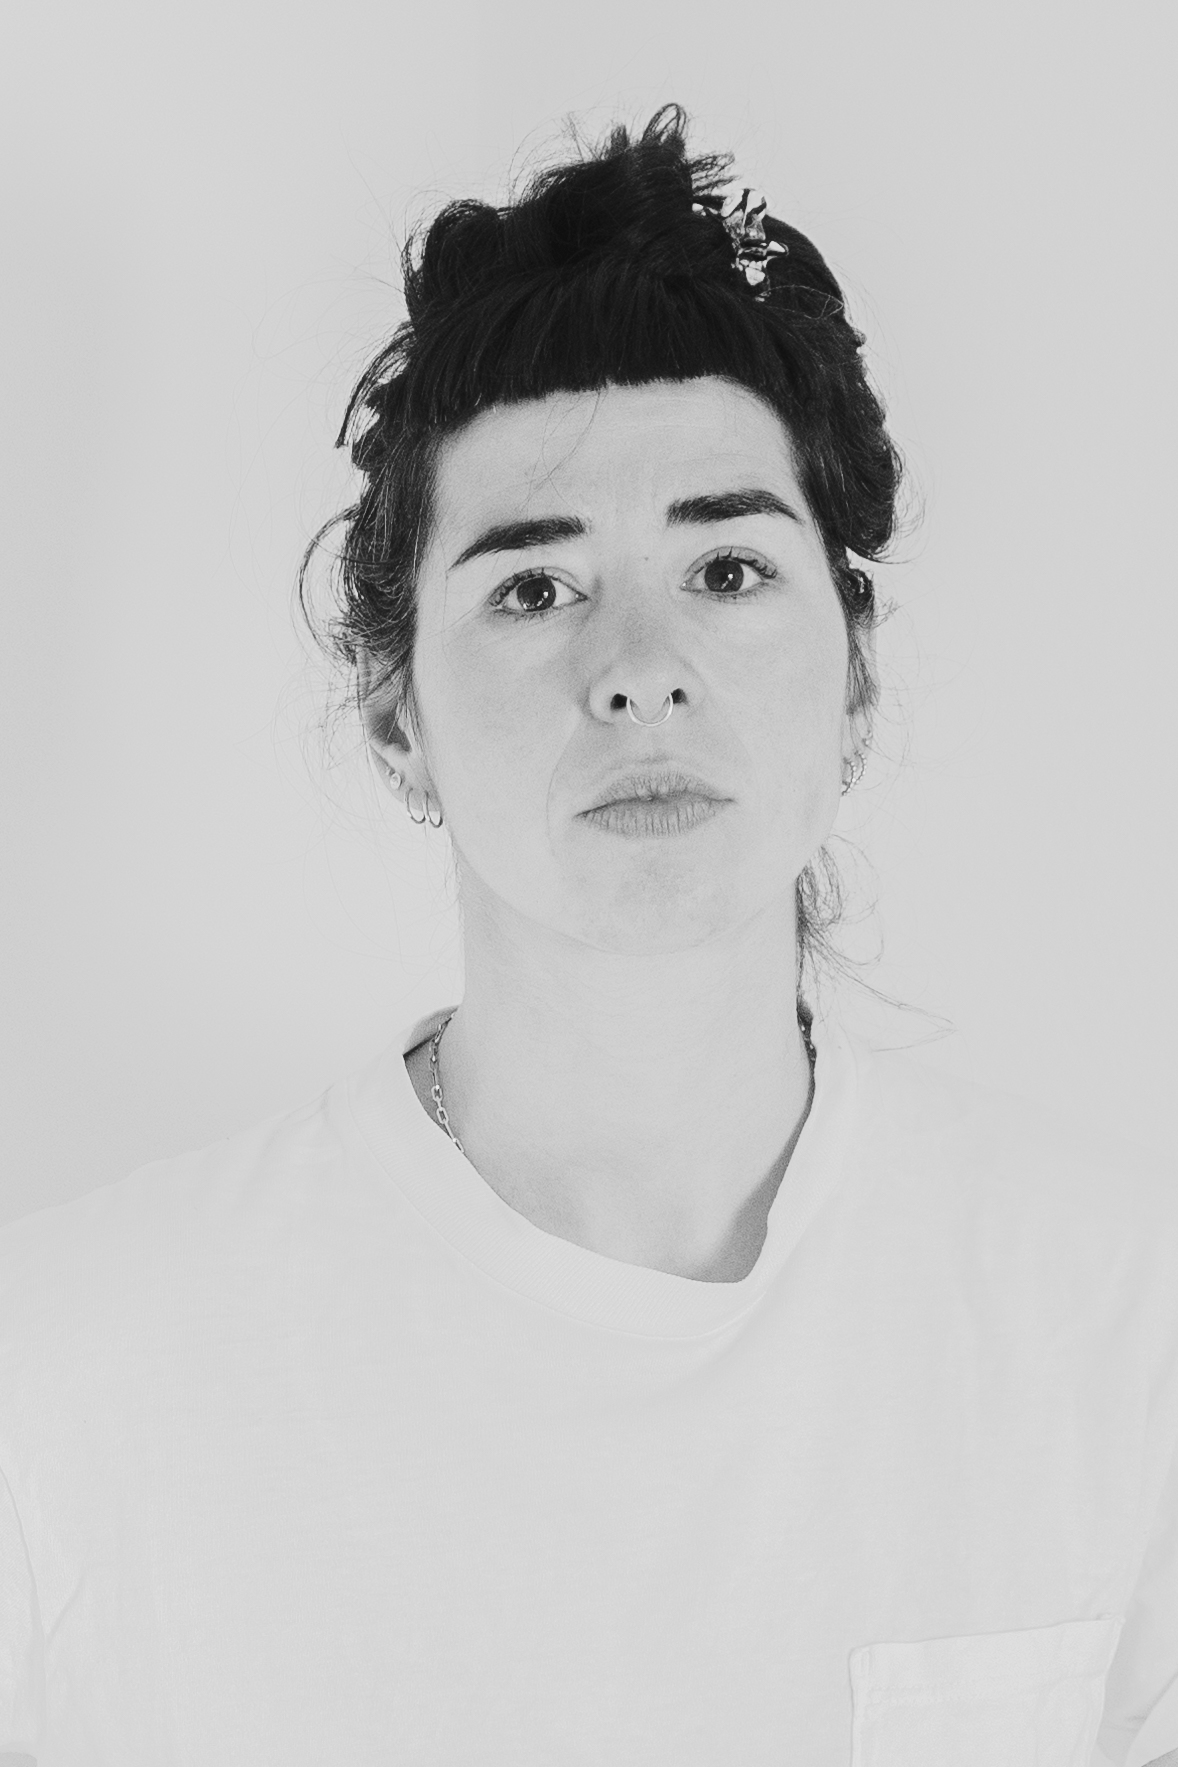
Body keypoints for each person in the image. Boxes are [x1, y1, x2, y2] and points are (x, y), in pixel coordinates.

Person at [0, 104, 1175, 1767]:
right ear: (395, 720)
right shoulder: (66, 1383)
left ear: (855, 676)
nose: (636, 671)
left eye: (727, 569)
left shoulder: (1120, 1331)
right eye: (532, 590)